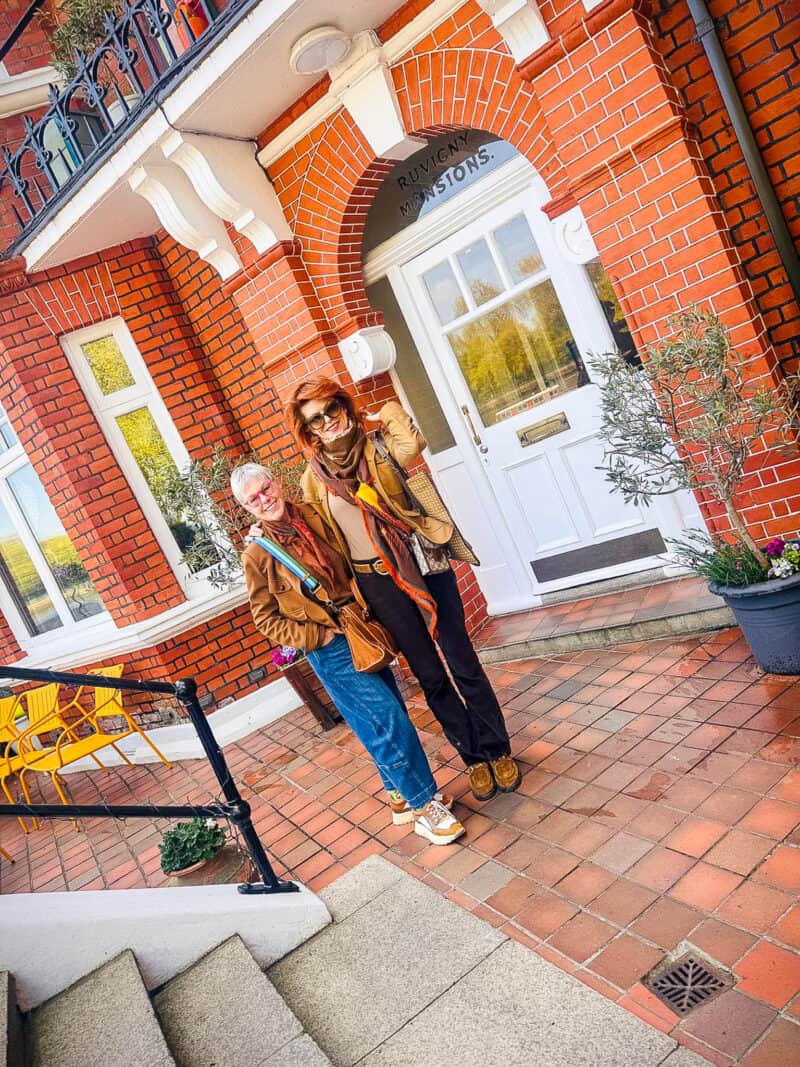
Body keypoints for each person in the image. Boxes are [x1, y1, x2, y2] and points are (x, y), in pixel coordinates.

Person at [284, 378, 521, 803]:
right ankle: (473, 758)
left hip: (422, 566)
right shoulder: (313, 481)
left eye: (331, 409)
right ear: (309, 432)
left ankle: (497, 748)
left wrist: (375, 414)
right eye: (315, 419)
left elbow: (411, 444)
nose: (328, 422)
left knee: (461, 659)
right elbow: (320, 538)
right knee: (430, 675)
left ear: (343, 405)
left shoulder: (378, 446)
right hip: (377, 584)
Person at [232, 463, 464, 846]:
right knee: (385, 718)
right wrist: (316, 637)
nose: (264, 499)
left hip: (361, 626)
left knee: (389, 711)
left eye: (265, 488)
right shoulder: (257, 554)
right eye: (253, 499)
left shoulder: (310, 513)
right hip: (331, 644)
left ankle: (400, 800)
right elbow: (265, 619)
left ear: (277, 482)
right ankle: (425, 806)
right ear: (246, 508)